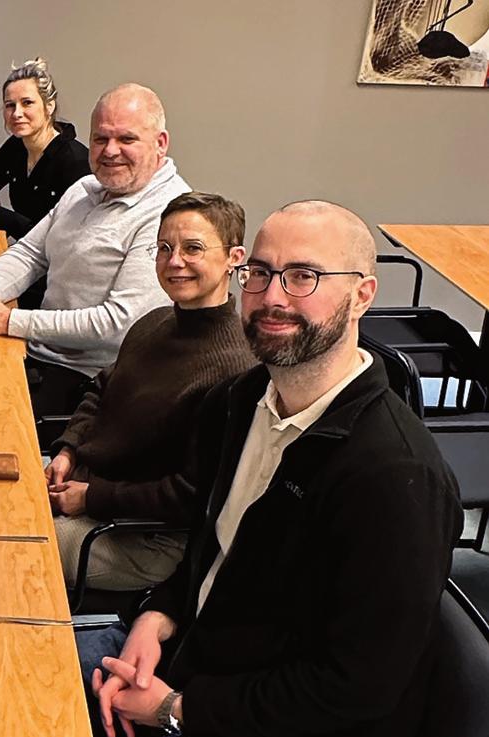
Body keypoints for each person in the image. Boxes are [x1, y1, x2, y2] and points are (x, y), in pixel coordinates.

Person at [79, 201, 460, 737]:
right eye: (259, 273)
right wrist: (156, 617)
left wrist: (177, 709)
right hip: (185, 659)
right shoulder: (237, 402)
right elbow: (212, 548)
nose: (272, 297)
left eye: (303, 276)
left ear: (362, 296)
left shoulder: (395, 478)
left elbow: (358, 690)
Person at [45, 192, 257, 592]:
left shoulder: (235, 370)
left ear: (234, 257)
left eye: (192, 248)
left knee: (7, 541)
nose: (174, 261)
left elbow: (191, 495)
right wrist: (68, 450)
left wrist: (92, 498)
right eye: (164, 248)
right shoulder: (155, 322)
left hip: (139, 536)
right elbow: (101, 388)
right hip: (83, 484)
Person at [0, 83, 189, 423]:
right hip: (37, 350)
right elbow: (30, 253)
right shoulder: (84, 189)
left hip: (90, 382)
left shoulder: (170, 214)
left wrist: (9, 321)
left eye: (126, 139)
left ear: (160, 143)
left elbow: (117, 324)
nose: (110, 151)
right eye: (100, 138)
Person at [0, 58, 90, 309]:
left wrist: (1, 218)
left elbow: (61, 244)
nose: (16, 113)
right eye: (10, 105)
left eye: (27, 102)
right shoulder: (17, 147)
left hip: (56, 281)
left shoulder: (75, 162)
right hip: (24, 261)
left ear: (49, 106)